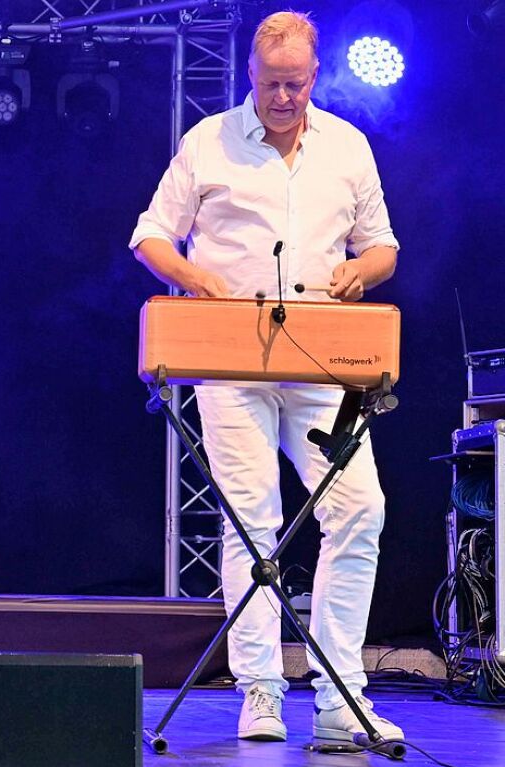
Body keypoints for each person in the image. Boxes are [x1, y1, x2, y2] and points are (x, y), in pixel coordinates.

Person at [130, 11, 404, 744]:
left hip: (324, 363)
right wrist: (195, 277)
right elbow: (150, 234)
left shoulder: (347, 146)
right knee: (252, 520)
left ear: (315, 77)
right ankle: (259, 689)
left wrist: (358, 269)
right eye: (269, 83)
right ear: (249, 75)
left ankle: (342, 693)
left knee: (359, 508)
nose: (281, 98)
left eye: (294, 84)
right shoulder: (208, 141)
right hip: (231, 359)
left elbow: (383, 248)